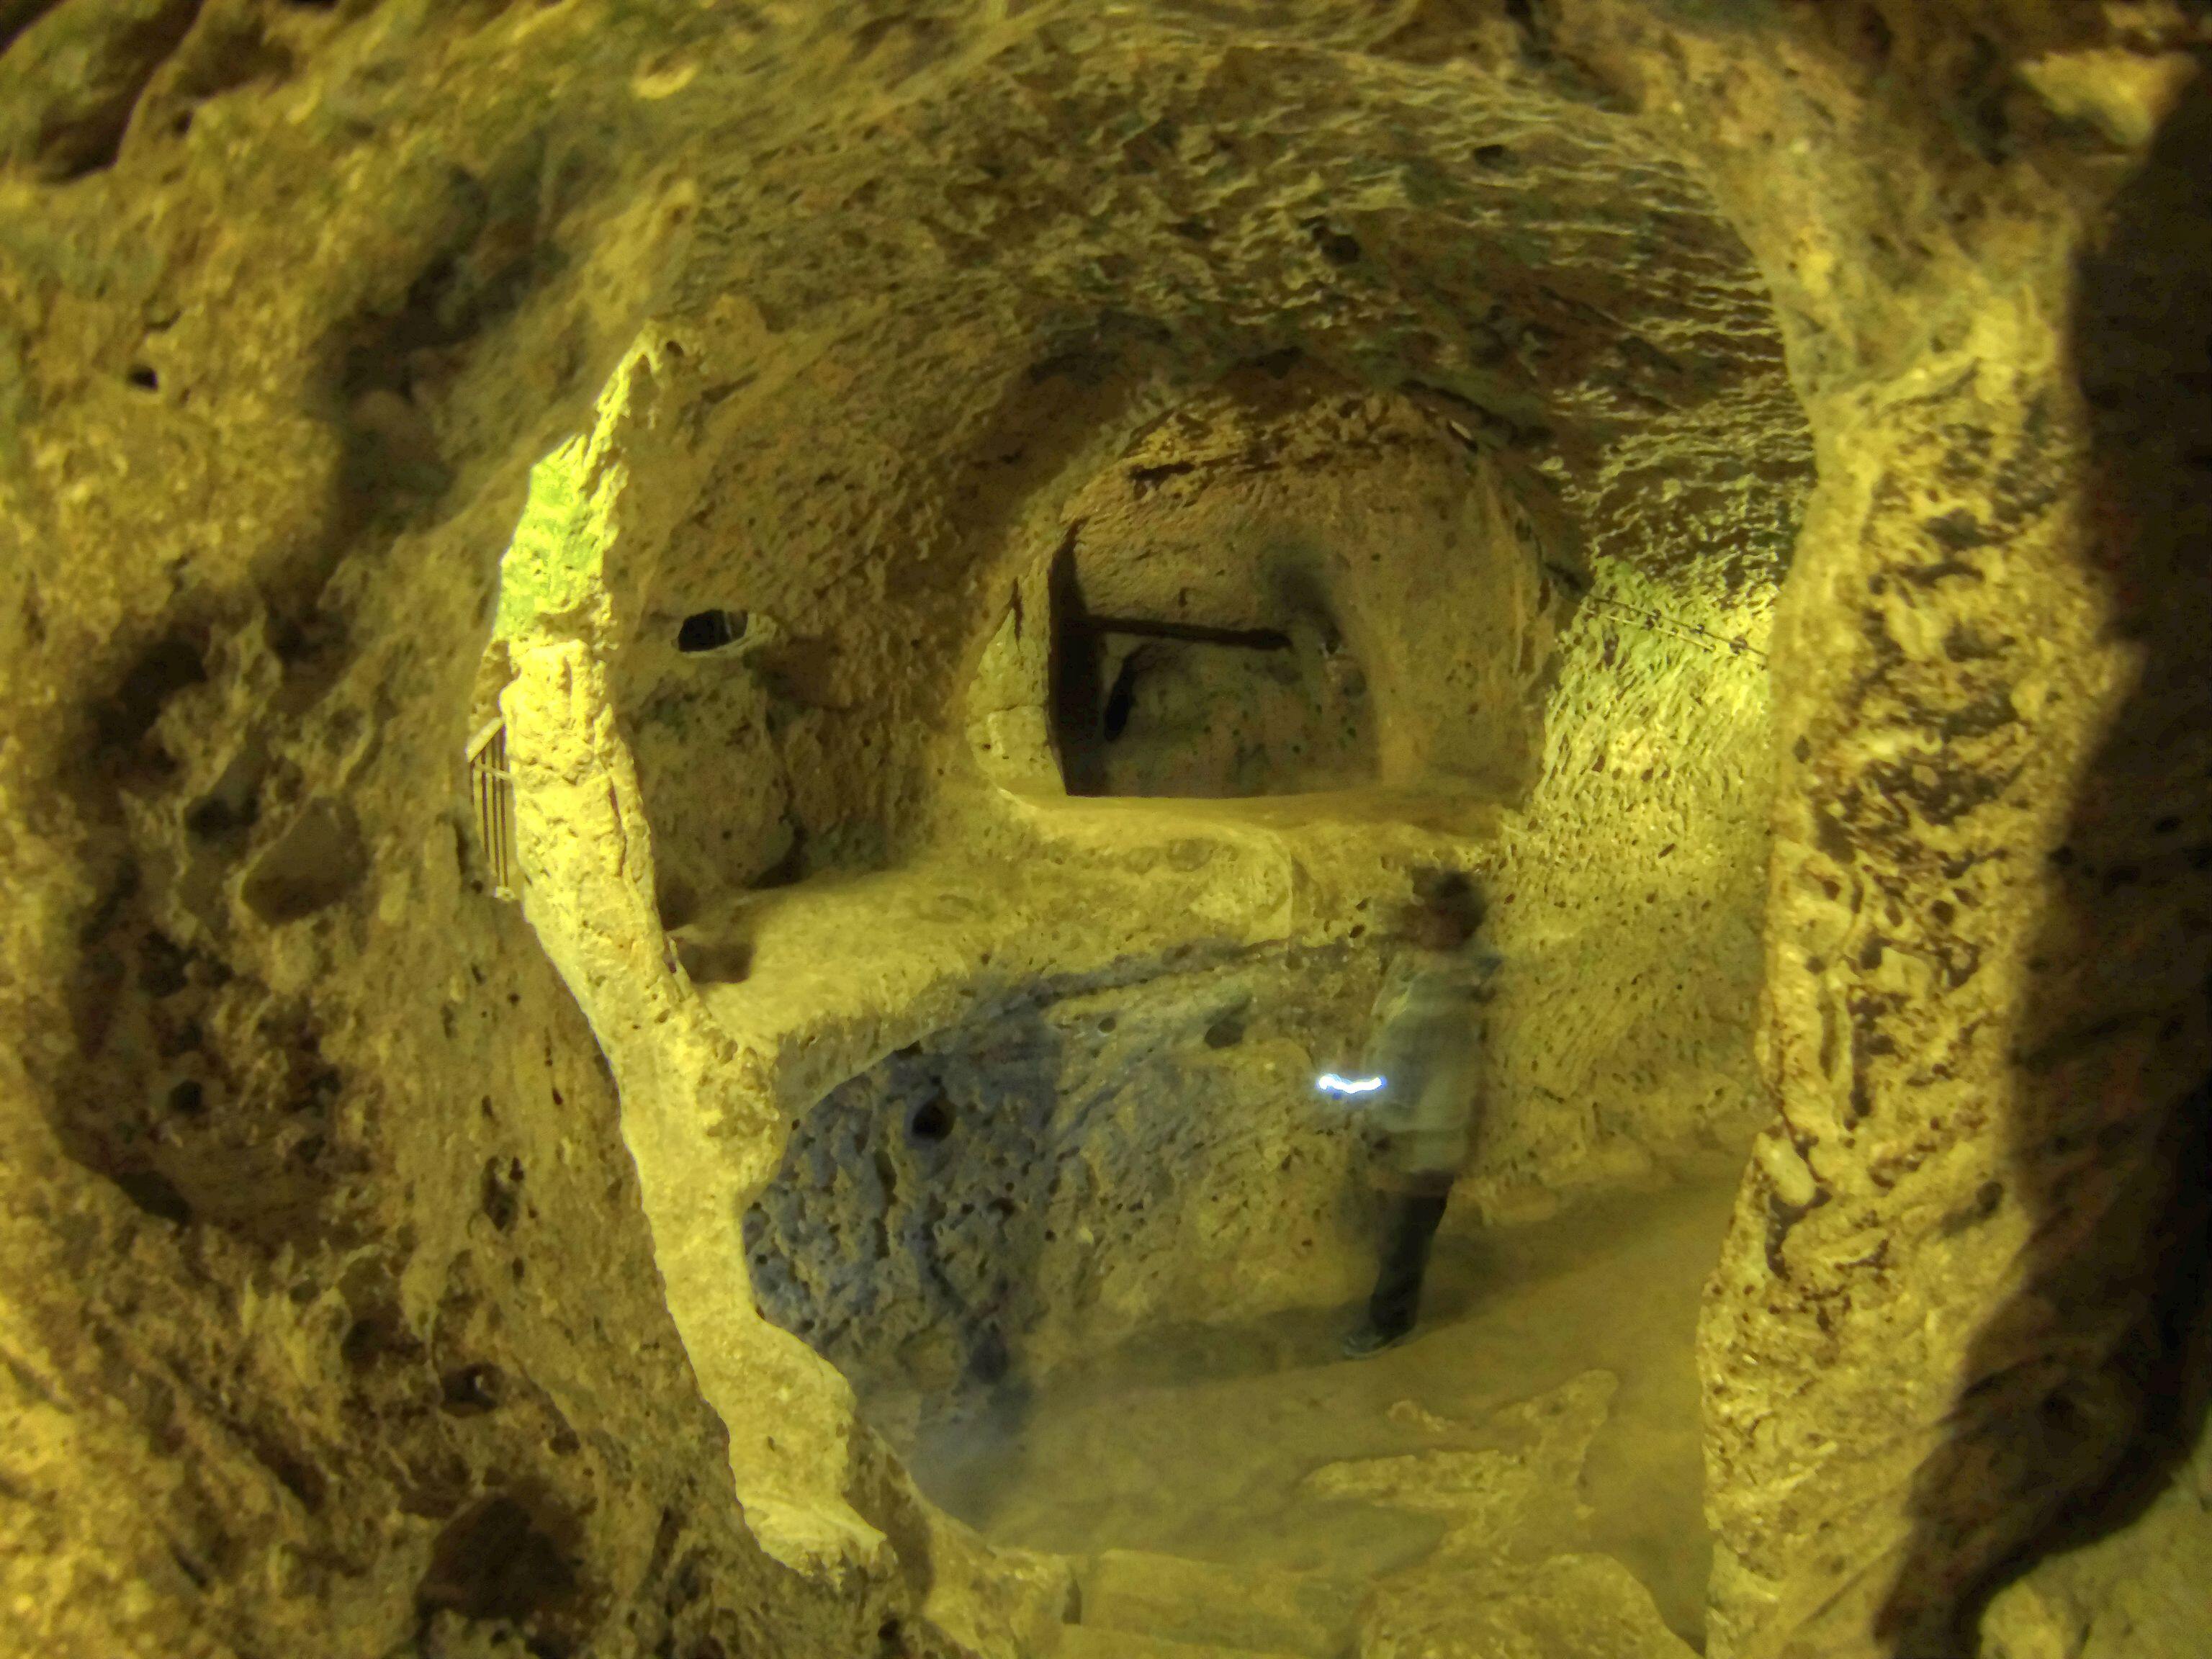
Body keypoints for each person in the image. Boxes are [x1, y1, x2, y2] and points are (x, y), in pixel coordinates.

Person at [1341, 872, 1496, 1358]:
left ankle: (1389, 1324)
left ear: (1454, 926)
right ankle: (1390, 1312)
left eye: (1431, 915)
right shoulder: (1433, 971)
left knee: (1405, 1239)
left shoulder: (1442, 992)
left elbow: (1407, 1065)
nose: (1418, 921)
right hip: (1419, 1128)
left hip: (1424, 1134)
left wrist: (1383, 1117)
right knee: (1404, 1231)